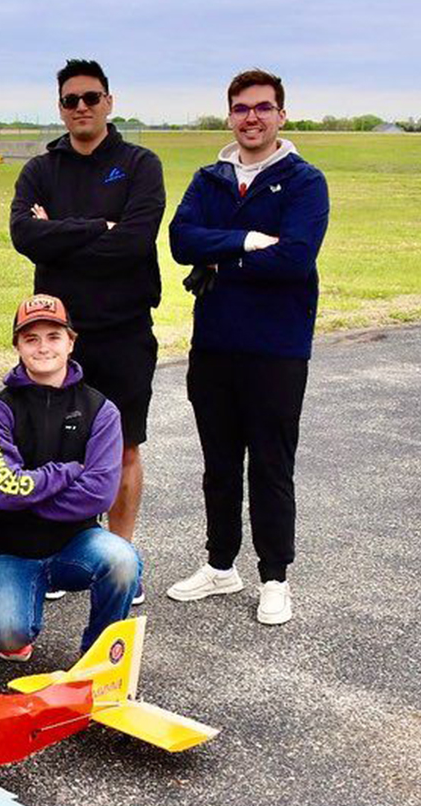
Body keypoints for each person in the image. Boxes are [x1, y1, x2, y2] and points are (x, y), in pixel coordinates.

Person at [167, 69, 329, 625]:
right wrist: (245, 240)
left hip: (276, 350)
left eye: (262, 107)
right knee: (218, 464)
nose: (251, 118)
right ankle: (220, 565)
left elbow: (294, 258)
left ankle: (275, 576)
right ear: (229, 114)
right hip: (214, 345)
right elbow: (181, 241)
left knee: (270, 465)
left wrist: (220, 259)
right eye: (241, 108)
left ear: (281, 114)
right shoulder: (210, 178)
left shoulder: (305, 181)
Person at [9, 59, 165, 602]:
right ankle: (64, 555)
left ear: (109, 102)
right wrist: (99, 227)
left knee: (121, 449)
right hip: (56, 337)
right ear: (59, 107)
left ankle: (121, 562)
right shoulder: (40, 169)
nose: (81, 107)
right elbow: (25, 235)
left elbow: (137, 242)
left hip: (123, 332)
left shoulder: (139, 164)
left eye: (91, 98)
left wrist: (61, 234)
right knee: (55, 448)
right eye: (71, 100)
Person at [0, 295, 140, 662]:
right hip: (10, 549)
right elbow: (4, 492)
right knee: (9, 636)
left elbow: (98, 495)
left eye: (53, 336)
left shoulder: (101, 410)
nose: (43, 347)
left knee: (122, 559)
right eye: (31, 338)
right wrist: (66, 472)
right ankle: (18, 618)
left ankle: (98, 654)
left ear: (71, 341)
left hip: (75, 546)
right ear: (17, 345)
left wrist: (30, 496)